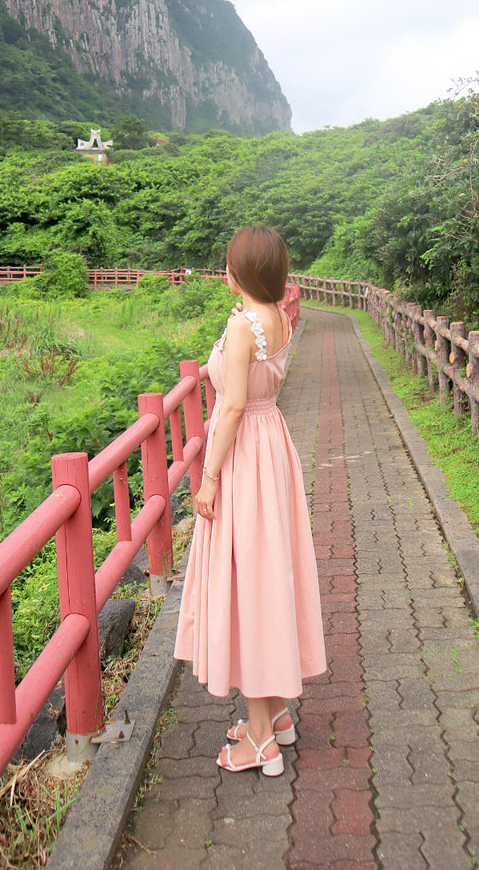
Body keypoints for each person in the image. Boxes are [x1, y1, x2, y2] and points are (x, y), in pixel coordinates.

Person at [174, 224, 326, 776]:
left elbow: (232, 406)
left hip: (242, 456)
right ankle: (276, 713)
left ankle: (259, 738)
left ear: (237, 273)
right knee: (266, 574)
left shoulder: (242, 326)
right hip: (272, 447)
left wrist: (209, 476)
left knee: (248, 583)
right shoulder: (281, 315)